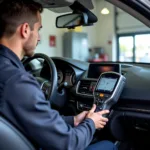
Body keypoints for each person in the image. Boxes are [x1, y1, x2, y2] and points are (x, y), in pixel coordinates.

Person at [0, 0, 117, 150]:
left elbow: (33, 119)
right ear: (25, 30)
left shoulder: (7, 72)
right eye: (38, 30)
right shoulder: (18, 82)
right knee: (108, 145)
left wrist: (73, 120)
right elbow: (69, 143)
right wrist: (91, 123)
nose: (39, 37)